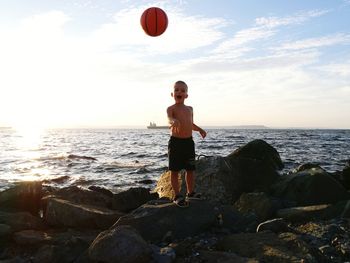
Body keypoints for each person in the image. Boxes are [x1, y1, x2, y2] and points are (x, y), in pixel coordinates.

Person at [167, 80, 207, 207]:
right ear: (172, 94)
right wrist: (174, 121)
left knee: (190, 169)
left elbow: (191, 124)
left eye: (182, 90)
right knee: (174, 170)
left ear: (186, 95)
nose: (179, 92)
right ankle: (177, 195)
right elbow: (169, 119)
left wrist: (199, 129)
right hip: (175, 143)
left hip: (188, 143)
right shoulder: (171, 109)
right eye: (176, 90)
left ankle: (190, 193)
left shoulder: (190, 109)